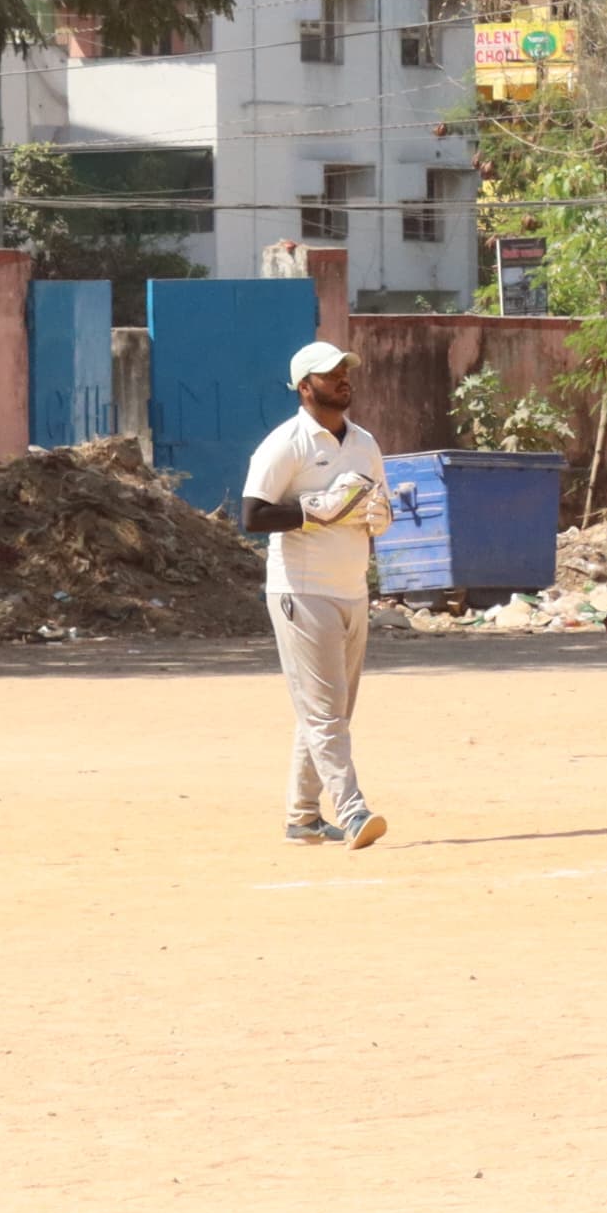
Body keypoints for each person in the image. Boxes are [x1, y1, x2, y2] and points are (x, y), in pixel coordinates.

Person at [236, 340, 391, 850]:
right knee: (325, 713)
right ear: (306, 387)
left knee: (330, 711)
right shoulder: (286, 444)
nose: (344, 378)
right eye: (331, 373)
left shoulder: (365, 443)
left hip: (351, 588)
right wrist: (310, 511)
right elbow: (253, 515)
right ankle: (352, 811)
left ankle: (302, 818)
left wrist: (380, 517)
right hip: (301, 591)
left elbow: (378, 500)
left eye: (346, 370)